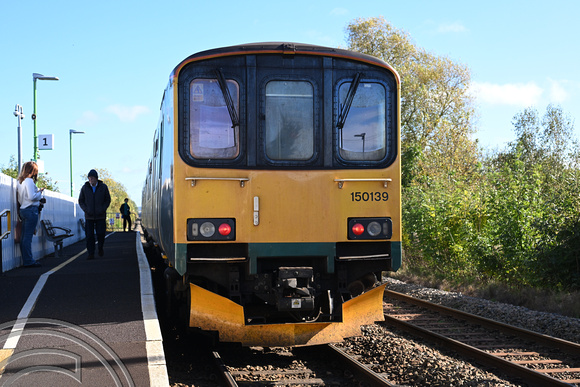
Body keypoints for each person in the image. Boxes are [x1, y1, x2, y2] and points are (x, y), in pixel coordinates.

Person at [17, 161, 45, 267]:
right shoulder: (29, 181)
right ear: (33, 171)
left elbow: (21, 199)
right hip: (30, 210)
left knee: (24, 237)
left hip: (24, 210)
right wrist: (40, 193)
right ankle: (29, 261)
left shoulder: (21, 182)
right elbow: (32, 197)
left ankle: (27, 260)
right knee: (27, 238)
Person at [78, 169, 111, 260]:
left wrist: (103, 209)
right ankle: (91, 253)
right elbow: (81, 200)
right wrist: (86, 209)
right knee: (89, 236)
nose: (90, 180)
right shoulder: (85, 188)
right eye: (89, 178)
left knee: (101, 234)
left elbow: (107, 200)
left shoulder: (103, 187)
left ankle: (100, 247)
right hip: (89, 216)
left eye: (92, 178)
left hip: (100, 215)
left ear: (96, 178)